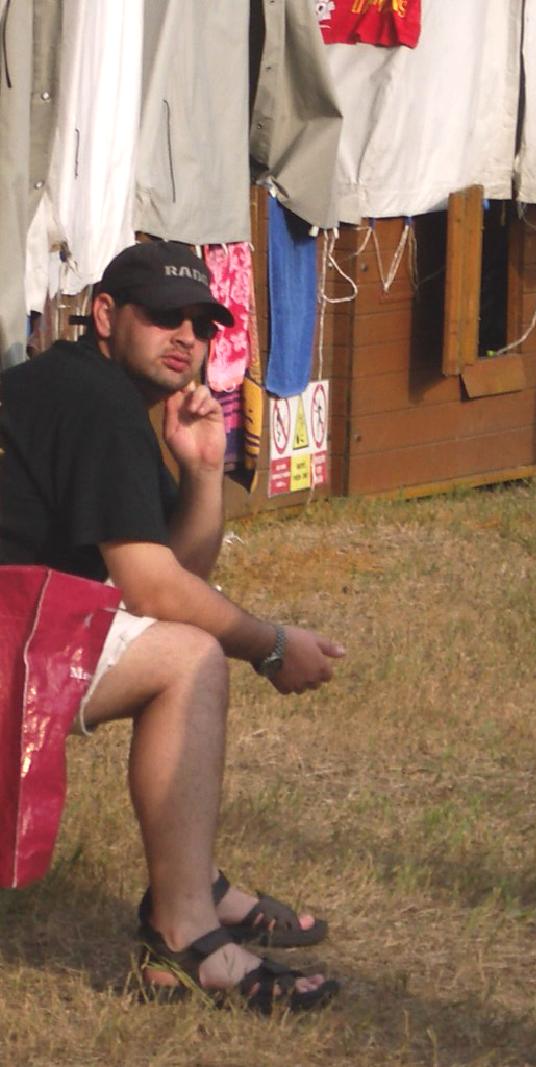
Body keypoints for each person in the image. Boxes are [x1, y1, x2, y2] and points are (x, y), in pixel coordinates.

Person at [0, 241, 345, 1014]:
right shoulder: (95, 401)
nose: (186, 336)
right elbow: (155, 590)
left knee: (184, 644)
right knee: (189, 659)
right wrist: (272, 646)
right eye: (164, 316)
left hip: (17, 617)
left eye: (201, 323)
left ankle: (192, 888)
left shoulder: (96, 391)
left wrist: (202, 470)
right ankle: (183, 931)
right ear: (105, 315)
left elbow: (169, 581)